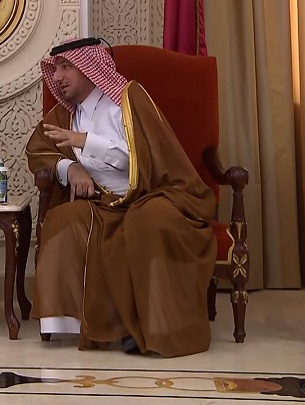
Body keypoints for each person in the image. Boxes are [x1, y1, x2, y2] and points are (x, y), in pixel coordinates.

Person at [25, 38, 217, 357]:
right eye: (55, 69)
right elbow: (39, 150)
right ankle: (82, 324)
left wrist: (86, 141)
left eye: (66, 67)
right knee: (63, 219)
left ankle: (157, 329)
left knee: (147, 222)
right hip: (101, 203)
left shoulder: (127, 101)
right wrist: (71, 168)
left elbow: (140, 159)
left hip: (152, 194)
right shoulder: (64, 115)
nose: (57, 77)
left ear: (89, 68)